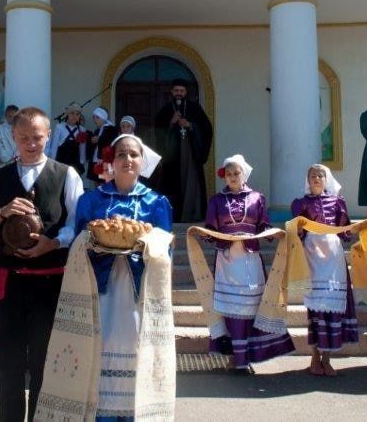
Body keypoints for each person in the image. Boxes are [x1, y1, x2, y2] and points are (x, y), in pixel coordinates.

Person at [0, 106, 83, 421]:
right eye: (24, 138)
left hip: (50, 282)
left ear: (48, 136)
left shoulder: (66, 174)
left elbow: (79, 224)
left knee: (45, 364)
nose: (31, 144)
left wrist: (54, 242)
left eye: (37, 137)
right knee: (9, 366)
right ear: (13, 137)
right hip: (10, 283)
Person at [71, 133, 173, 417]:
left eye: (133, 155)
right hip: (100, 286)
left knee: (135, 347)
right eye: (121, 155)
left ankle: (132, 413)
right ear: (111, 161)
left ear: (142, 162)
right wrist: (97, 243)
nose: (127, 160)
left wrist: (143, 245)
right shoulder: (91, 200)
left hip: (137, 288)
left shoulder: (156, 202)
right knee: (100, 348)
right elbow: (78, 242)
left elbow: (165, 248)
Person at [204, 154, 294, 373]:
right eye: (229, 174)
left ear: (243, 174)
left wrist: (275, 234)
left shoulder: (257, 198)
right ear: (223, 176)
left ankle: (247, 357)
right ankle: (233, 357)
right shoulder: (216, 200)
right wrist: (203, 235)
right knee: (230, 308)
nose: (233, 177)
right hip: (227, 259)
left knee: (251, 307)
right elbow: (211, 229)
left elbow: (263, 225)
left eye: (237, 173)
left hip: (249, 259)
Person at [291, 164, 358, 376]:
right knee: (315, 309)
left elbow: (344, 231)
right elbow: (295, 231)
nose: (317, 178)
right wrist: (299, 231)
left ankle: (327, 359)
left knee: (333, 308)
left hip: (333, 255)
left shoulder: (338, 201)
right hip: (312, 254)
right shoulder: (300, 203)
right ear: (308, 180)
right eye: (313, 175)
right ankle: (314, 357)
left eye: (321, 175)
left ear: (326, 178)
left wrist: (355, 229)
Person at [154, 79, 213, 222]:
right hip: (172, 157)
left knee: (191, 183)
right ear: (172, 92)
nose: (179, 93)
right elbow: (157, 131)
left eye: (181, 91)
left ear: (186, 92)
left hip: (190, 153)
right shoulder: (166, 110)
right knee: (172, 185)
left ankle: (192, 214)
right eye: (176, 91)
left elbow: (207, 129)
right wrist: (171, 122)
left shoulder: (195, 108)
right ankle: (173, 216)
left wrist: (191, 125)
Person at [46, 103, 87, 175]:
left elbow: (82, 147)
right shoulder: (59, 127)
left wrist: (82, 161)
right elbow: (54, 145)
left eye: (77, 114)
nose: (75, 116)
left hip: (75, 161)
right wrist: (52, 160)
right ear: (67, 114)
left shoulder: (82, 130)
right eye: (72, 113)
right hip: (62, 160)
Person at [86, 107, 118, 184]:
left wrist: (99, 140)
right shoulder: (97, 130)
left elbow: (111, 142)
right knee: (96, 179)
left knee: (105, 179)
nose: (95, 120)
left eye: (97, 117)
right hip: (96, 158)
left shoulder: (111, 129)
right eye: (94, 117)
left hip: (105, 159)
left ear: (103, 118)